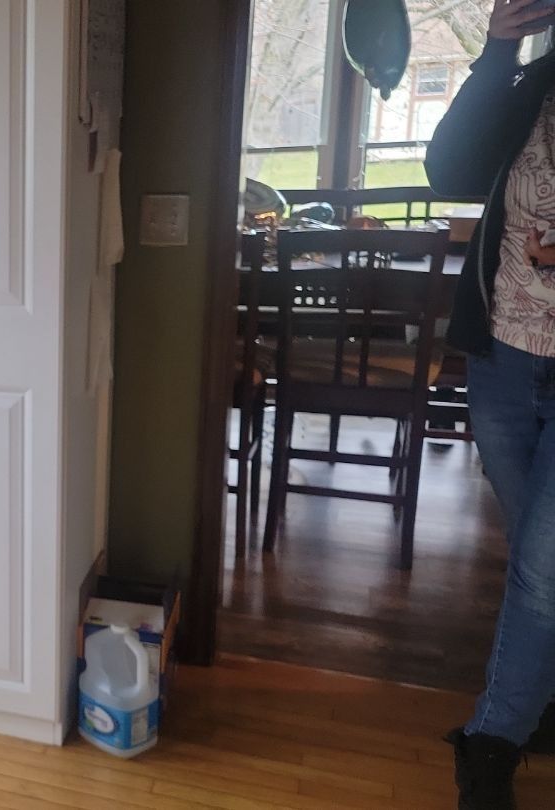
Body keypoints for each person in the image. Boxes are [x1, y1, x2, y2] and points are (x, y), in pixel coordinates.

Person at [427, 1, 555, 807]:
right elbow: (452, 173)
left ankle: (492, 740)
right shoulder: (533, 83)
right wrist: (497, 53)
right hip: (504, 359)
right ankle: (537, 696)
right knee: (539, 559)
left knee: (544, 568)